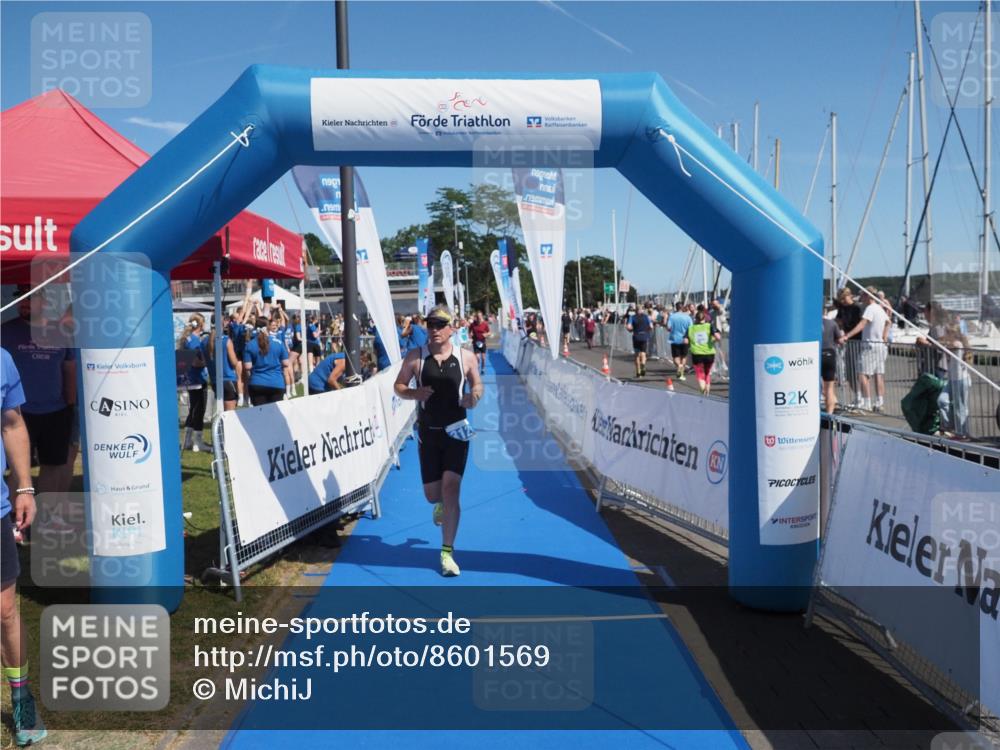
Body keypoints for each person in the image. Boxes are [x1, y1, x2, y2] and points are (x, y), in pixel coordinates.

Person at [393, 306, 483, 577]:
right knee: (433, 495)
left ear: (451, 329)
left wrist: (473, 397)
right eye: (430, 323)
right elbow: (398, 386)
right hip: (428, 433)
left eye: (439, 324)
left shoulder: (466, 357)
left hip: (457, 431)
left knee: (452, 486)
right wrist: (413, 392)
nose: (433, 328)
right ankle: (440, 504)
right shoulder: (415, 357)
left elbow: (478, 385)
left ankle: (447, 553)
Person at [1, 349, 46, 746]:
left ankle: (22, 702)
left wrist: (25, 487)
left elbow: (12, 424)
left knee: (5, 610)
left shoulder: (2, 360)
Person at [1, 286, 77, 506]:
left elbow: (69, 369)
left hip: (55, 410)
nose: (22, 304)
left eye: (29, 299)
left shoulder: (61, 332)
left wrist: (69, 405)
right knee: (17, 466)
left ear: (45, 302)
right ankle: (17, 522)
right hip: (17, 412)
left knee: (53, 465)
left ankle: (46, 518)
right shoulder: (4, 331)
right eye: (20, 299)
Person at [843, 287, 891, 413]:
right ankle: (879, 401)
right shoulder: (880, 308)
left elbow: (862, 324)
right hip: (880, 346)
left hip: (870, 346)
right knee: (878, 374)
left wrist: (847, 335)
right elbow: (888, 322)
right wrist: (884, 336)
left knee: (862, 374)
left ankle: (867, 403)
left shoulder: (870, 309)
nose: (861, 298)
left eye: (863, 295)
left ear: (868, 296)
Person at [243, 317, 292, 405]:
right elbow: (286, 363)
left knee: (260, 416)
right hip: (276, 383)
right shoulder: (279, 343)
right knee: (274, 416)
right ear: (268, 327)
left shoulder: (250, 344)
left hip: (257, 383)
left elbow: (248, 367)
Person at [180, 314, 209, 450]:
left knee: (193, 409)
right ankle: (197, 441)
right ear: (201, 324)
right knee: (199, 409)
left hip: (190, 378)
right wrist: (208, 361)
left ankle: (187, 440)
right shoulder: (195, 341)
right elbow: (196, 362)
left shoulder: (187, 338)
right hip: (197, 378)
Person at [204, 323, 240, 412]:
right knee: (229, 412)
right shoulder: (226, 340)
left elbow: (204, 361)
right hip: (228, 379)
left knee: (220, 411)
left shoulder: (204, 341)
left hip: (214, 380)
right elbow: (234, 362)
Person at [684, 309, 722, 395]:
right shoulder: (709, 326)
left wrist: (691, 342)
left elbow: (685, 341)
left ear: (695, 319)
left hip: (697, 354)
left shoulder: (690, 328)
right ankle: (707, 392)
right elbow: (718, 337)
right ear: (704, 318)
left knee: (700, 374)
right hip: (709, 353)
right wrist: (712, 340)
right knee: (707, 373)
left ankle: (703, 391)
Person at [822, 305, 845, 413]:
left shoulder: (811, 323)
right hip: (829, 355)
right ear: (825, 311)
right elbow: (840, 340)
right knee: (830, 388)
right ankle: (829, 414)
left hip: (816, 355)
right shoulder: (832, 323)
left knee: (814, 385)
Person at [667, 302, 693, 381]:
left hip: (674, 339)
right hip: (685, 339)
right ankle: (681, 373)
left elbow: (668, 327)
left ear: (676, 307)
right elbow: (691, 328)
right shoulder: (688, 317)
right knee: (683, 357)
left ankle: (679, 366)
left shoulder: (672, 317)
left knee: (675, 357)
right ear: (682, 308)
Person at [626, 305, 653, 378]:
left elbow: (628, 327)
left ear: (635, 310)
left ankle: (638, 372)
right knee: (643, 353)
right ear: (642, 310)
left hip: (636, 336)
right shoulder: (646, 317)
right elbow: (651, 326)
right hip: (644, 336)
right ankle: (643, 364)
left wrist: (630, 330)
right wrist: (648, 330)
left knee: (637, 355)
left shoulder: (632, 317)